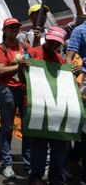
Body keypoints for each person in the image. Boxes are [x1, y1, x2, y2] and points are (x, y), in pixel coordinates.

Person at [28, 27, 77, 185]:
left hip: (58, 108)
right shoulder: (33, 53)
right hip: (39, 107)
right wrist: (23, 65)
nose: (52, 45)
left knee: (60, 146)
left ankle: (57, 179)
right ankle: (36, 176)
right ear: (46, 38)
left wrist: (71, 73)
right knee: (39, 146)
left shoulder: (61, 59)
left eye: (56, 43)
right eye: (51, 41)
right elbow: (22, 77)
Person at [0, 17, 31, 180]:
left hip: (25, 91)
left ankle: (29, 165)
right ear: (4, 31)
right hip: (7, 91)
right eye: (11, 27)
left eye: (16, 27)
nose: (14, 30)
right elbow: (0, 71)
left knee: (28, 128)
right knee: (7, 128)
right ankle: (6, 164)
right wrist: (19, 66)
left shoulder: (25, 46)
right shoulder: (1, 48)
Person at [65, 14, 86, 184]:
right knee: (82, 128)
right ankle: (72, 161)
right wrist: (71, 70)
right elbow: (68, 58)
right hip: (84, 84)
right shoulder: (79, 31)